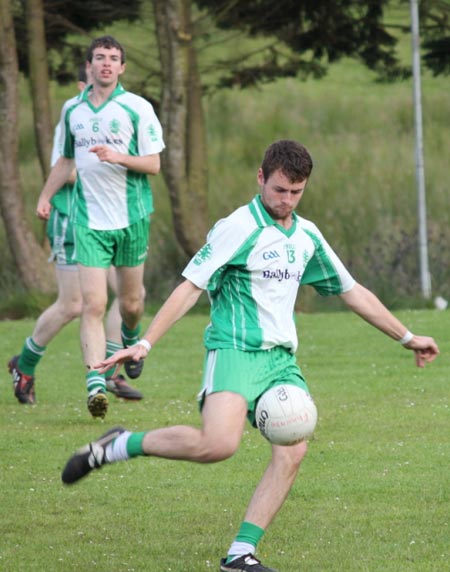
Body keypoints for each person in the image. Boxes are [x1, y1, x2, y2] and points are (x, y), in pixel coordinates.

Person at [60, 140, 439, 572]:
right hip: (235, 350)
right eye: (279, 190)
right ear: (261, 178)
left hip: (280, 361)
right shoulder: (238, 228)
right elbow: (191, 286)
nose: (286, 200)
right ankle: (119, 445)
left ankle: (241, 554)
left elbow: (351, 291)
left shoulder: (306, 235)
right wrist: (145, 342)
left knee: (294, 449)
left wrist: (407, 336)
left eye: (296, 192)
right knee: (217, 445)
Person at [36, 36, 165, 419]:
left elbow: (154, 164)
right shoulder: (72, 110)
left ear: (122, 67)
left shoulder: (136, 108)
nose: (106, 64)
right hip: (87, 221)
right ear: (89, 66)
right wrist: (45, 195)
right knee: (92, 304)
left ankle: (128, 338)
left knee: (131, 303)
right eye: (99, 58)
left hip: (131, 220)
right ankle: (96, 383)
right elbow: (64, 161)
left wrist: (117, 156)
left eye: (113, 59)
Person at [8, 64, 143, 405]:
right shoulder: (74, 116)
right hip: (73, 219)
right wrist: (104, 166)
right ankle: (24, 365)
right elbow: (65, 168)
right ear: (85, 81)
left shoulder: (118, 115)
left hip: (109, 220)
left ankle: (109, 364)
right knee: (74, 304)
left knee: (131, 295)